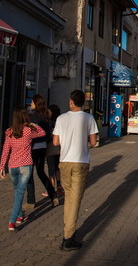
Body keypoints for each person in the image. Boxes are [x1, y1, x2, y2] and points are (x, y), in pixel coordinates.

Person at [52, 90, 98, 252]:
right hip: (80, 161)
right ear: (83, 103)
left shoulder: (61, 118)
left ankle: (68, 230)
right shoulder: (89, 118)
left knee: (69, 197)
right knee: (74, 200)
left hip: (64, 162)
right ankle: (67, 238)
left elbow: (55, 142)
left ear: (71, 102)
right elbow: (93, 142)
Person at [0, 106, 46, 231]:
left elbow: (5, 150)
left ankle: (20, 215)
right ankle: (12, 221)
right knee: (19, 193)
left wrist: (2, 166)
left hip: (13, 166)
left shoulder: (9, 132)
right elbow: (42, 132)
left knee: (17, 192)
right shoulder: (28, 131)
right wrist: (31, 123)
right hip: (25, 165)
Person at [26, 94, 58, 207]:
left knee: (29, 173)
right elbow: (48, 134)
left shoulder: (33, 117)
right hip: (43, 147)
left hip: (33, 148)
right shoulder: (45, 116)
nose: (30, 104)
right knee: (41, 172)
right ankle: (53, 194)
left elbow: (31, 134)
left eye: (32, 102)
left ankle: (31, 200)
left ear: (36, 103)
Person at [46, 104, 64, 196]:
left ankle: (51, 189)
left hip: (52, 146)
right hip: (59, 147)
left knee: (51, 168)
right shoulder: (60, 121)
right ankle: (59, 185)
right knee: (57, 167)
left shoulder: (50, 122)